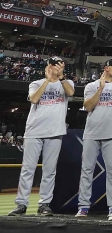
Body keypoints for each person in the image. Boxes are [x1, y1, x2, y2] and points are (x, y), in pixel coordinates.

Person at [9, 56, 74, 217]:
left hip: (55, 131)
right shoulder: (36, 83)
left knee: (49, 170)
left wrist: (60, 77)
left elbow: (71, 93)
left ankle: (44, 204)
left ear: (62, 67)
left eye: (57, 66)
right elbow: (34, 99)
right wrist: (47, 80)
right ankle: (21, 204)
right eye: (52, 66)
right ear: (47, 67)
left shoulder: (67, 83)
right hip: (34, 131)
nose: (54, 68)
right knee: (28, 169)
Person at [76, 59, 112, 219]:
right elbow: (88, 107)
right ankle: (83, 206)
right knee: (87, 169)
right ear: (106, 68)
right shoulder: (92, 85)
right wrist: (100, 89)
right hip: (92, 133)